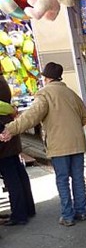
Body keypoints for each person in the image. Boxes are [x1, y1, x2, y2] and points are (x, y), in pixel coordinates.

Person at [0, 62, 86, 227]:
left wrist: (10, 129)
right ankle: (81, 211)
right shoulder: (71, 93)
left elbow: (31, 117)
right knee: (78, 178)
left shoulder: (44, 94)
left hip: (58, 145)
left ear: (46, 78)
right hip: (77, 143)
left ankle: (68, 216)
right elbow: (85, 116)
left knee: (62, 179)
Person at [0, 75, 35, 226]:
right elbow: (7, 106)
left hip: (3, 133)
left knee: (11, 176)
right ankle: (27, 208)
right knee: (18, 171)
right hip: (8, 128)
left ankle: (19, 214)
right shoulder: (2, 81)